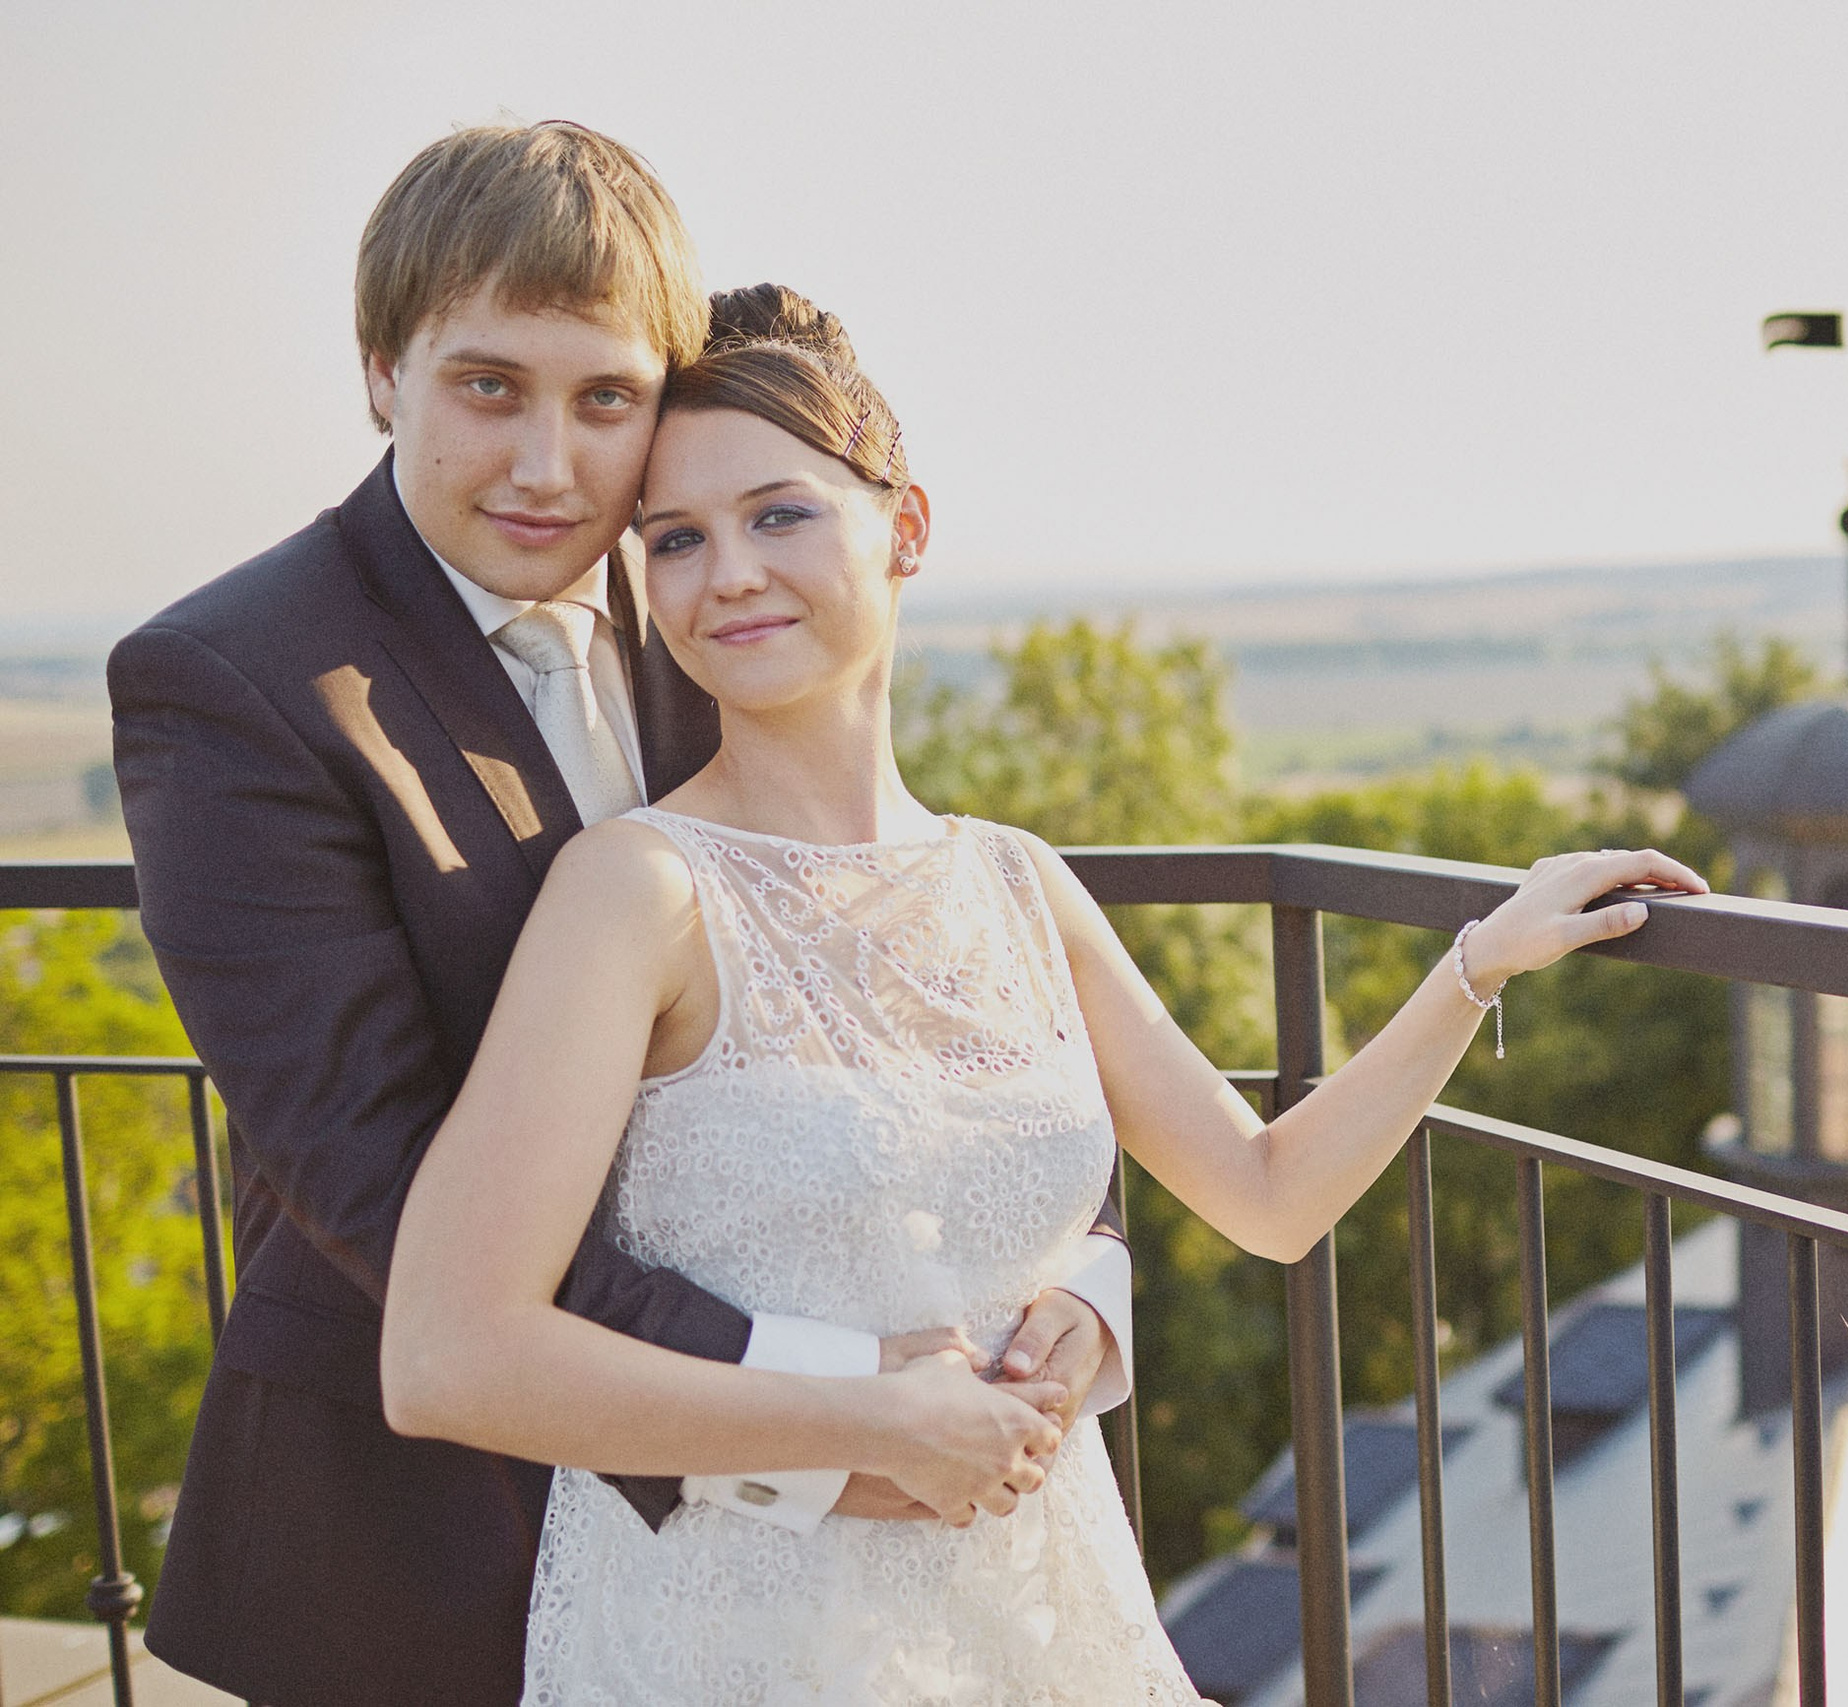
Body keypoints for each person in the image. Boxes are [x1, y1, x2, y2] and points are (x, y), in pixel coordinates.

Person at [377, 282, 1711, 1703]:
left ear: (905, 527)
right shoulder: (636, 892)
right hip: (741, 1645)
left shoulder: (1016, 882)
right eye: (677, 539)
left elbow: (1269, 1195)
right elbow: (451, 1359)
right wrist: (866, 1425)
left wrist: (1474, 967)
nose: (729, 576)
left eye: (780, 515)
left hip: (1032, 1613)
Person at [108, 124, 1129, 1707]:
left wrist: (1075, 1287)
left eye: (606, 400)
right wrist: (835, 1408)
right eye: (488, 387)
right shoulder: (232, 682)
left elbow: (915, 989)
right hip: (423, 1545)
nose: (550, 466)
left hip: (825, 1579)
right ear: (383, 373)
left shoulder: (715, 597)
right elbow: (381, 1183)